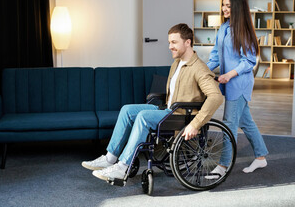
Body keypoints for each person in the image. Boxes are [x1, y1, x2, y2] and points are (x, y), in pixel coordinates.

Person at [82, 23, 223, 182]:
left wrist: (195, 124)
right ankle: (110, 158)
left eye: (174, 42)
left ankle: (122, 168)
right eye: (169, 42)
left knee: (143, 116)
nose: (170, 47)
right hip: (168, 110)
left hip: (180, 116)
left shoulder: (199, 68)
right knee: (127, 110)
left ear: (188, 42)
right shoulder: (177, 63)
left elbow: (216, 97)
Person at [206, 0, 269, 178]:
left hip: (239, 83)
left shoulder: (245, 31)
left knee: (229, 123)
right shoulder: (224, 28)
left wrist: (229, 75)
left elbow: (249, 61)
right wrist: (201, 71)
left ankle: (223, 166)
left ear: (238, 8)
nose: (224, 9)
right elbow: (216, 56)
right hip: (229, 82)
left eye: (228, 6)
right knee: (245, 121)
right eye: (223, 5)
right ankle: (261, 157)